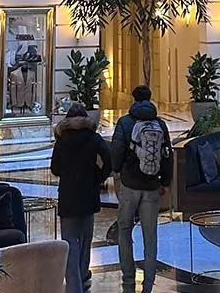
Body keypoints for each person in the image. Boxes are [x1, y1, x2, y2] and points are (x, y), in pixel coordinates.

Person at [110, 84, 174, 293]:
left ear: (134, 99)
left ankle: (128, 279)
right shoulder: (160, 123)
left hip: (129, 184)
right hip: (152, 185)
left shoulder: (125, 122)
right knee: (150, 235)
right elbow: (167, 154)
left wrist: (116, 170)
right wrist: (165, 182)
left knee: (124, 230)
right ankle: (148, 283)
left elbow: (117, 149)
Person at [51, 101, 113, 293]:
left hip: (68, 196)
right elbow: (109, 160)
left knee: (70, 243)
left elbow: (55, 168)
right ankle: (84, 275)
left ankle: (74, 286)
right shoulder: (94, 138)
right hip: (88, 195)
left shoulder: (62, 140)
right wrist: (98, 176)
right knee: (86, 240)